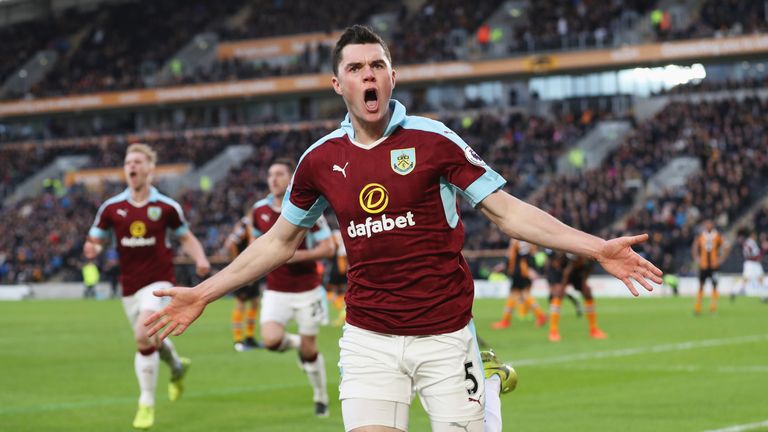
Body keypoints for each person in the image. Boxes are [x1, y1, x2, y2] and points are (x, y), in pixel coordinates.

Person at [145, 25, 662, 432]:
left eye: (378, 65)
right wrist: (205, 293)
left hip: (446, 336)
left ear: (392, 77)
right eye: (356, 67)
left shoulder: (434, 141)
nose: (368, 75)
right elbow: (279, 241)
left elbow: (506, 211)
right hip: (369, 337)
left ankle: (477, 372)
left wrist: (597, 248)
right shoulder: (320, 160)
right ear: (338, 83)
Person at [83, 143, 210, 430]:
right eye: (129, 162)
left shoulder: (166, 207)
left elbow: (186, 237)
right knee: (150, 338)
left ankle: (146, 404)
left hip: (159, 283)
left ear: (150, 169)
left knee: (143, 334)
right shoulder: (112, 208)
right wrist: (92, 247)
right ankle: (177, 366)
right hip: (128, 286)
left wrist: (201, 258)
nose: (133, 166)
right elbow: (96, 238)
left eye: (139, 162)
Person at [249, 158, 336, 417]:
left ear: (290, 179)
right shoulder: (258, 211)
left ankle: (320, 397)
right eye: (270, 174)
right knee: (271, 340)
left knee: (311, 352)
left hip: (307, 289)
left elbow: (328, 247)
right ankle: (299, 345)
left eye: (279, 174)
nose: (273, 179)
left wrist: (294, 255)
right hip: (276, 289)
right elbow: (255, 244)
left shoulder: (306, 207)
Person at [221, 215, 262, 351]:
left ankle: (249, 338)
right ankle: (238, 341)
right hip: (244, 268)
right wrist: (237, 263)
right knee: (241, 302)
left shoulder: (254, 223)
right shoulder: (246, 224)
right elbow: (230, 243)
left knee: (255, 301)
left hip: (253, 267)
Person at [548, 253, 607, 342]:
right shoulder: (570, 259)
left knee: (588, 292)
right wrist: (562, 289)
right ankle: (553, 331)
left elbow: (588, 271)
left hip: (576, 273)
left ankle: (594, 330)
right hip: (558, 271)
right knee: (558, 293)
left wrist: (583, 282)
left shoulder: (591, 259)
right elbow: (566, 274)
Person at [492, 239, 546, 329]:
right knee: (518, 295)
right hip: (521, 271)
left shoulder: (518, 239)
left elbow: (517, 255)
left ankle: (540, 316)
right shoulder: (524, 239)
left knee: (520, 294)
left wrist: (527, 269)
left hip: (519, 272)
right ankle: (506, 320)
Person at [691, 219, 724, 314]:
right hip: (704, 265)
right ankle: (697, 307)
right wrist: (696, 258)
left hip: (714, 266)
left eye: (710, 224)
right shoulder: (701, 236)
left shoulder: (717, 236)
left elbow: (725, 246)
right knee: (701, 286)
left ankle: (713, 307)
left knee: (714, 286)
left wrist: (721, 259)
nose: (708, 226)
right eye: (707, 224)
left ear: (712, 225)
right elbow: (694, 247)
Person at [733, 228, 765, 302]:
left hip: (750, 263)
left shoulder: (746, 242)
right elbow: (756, 254)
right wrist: (763, 250)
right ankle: (763, 296)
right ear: (752, 235)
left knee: (749, 279)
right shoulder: (752, 242)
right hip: (753, 263)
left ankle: (734, 291)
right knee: (758, 279)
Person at [327, 225, 349, 326]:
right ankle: (343, 314)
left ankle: (343, 313)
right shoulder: (346, 230)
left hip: (338, 265)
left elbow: (333, 248)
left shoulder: (334, 234)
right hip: (345, 267)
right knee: (342, 293)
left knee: (331, 291)